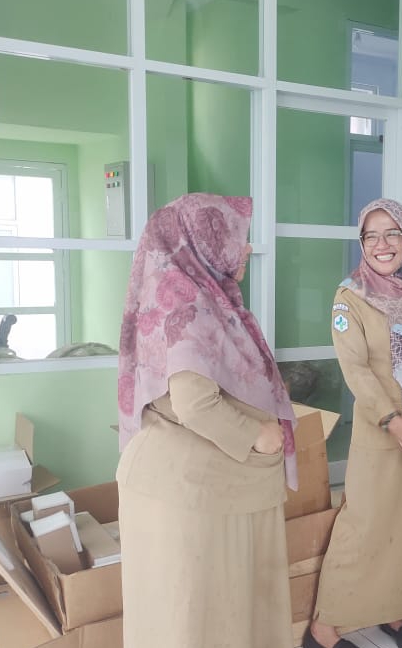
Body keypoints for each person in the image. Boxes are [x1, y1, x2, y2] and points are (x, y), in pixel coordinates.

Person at [115, 194, 297, 648]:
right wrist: (259, 435)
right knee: (205, 622)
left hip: (171, 479)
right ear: (204, 240)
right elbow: (195, 403)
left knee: (175, 619)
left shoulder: (179, 294)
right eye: (237, 236)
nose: (247, 248)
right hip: (196, 491)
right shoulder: (189, 304)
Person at [305, 198, 402, 648]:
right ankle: (325, 627)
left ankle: (394, 610)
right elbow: (356, 371)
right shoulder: (351, 297)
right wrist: (397, 423)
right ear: (361, 243)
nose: (382, 244)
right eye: (370, 235)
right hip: (381, 432)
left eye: (392, 232)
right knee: (364, 525)